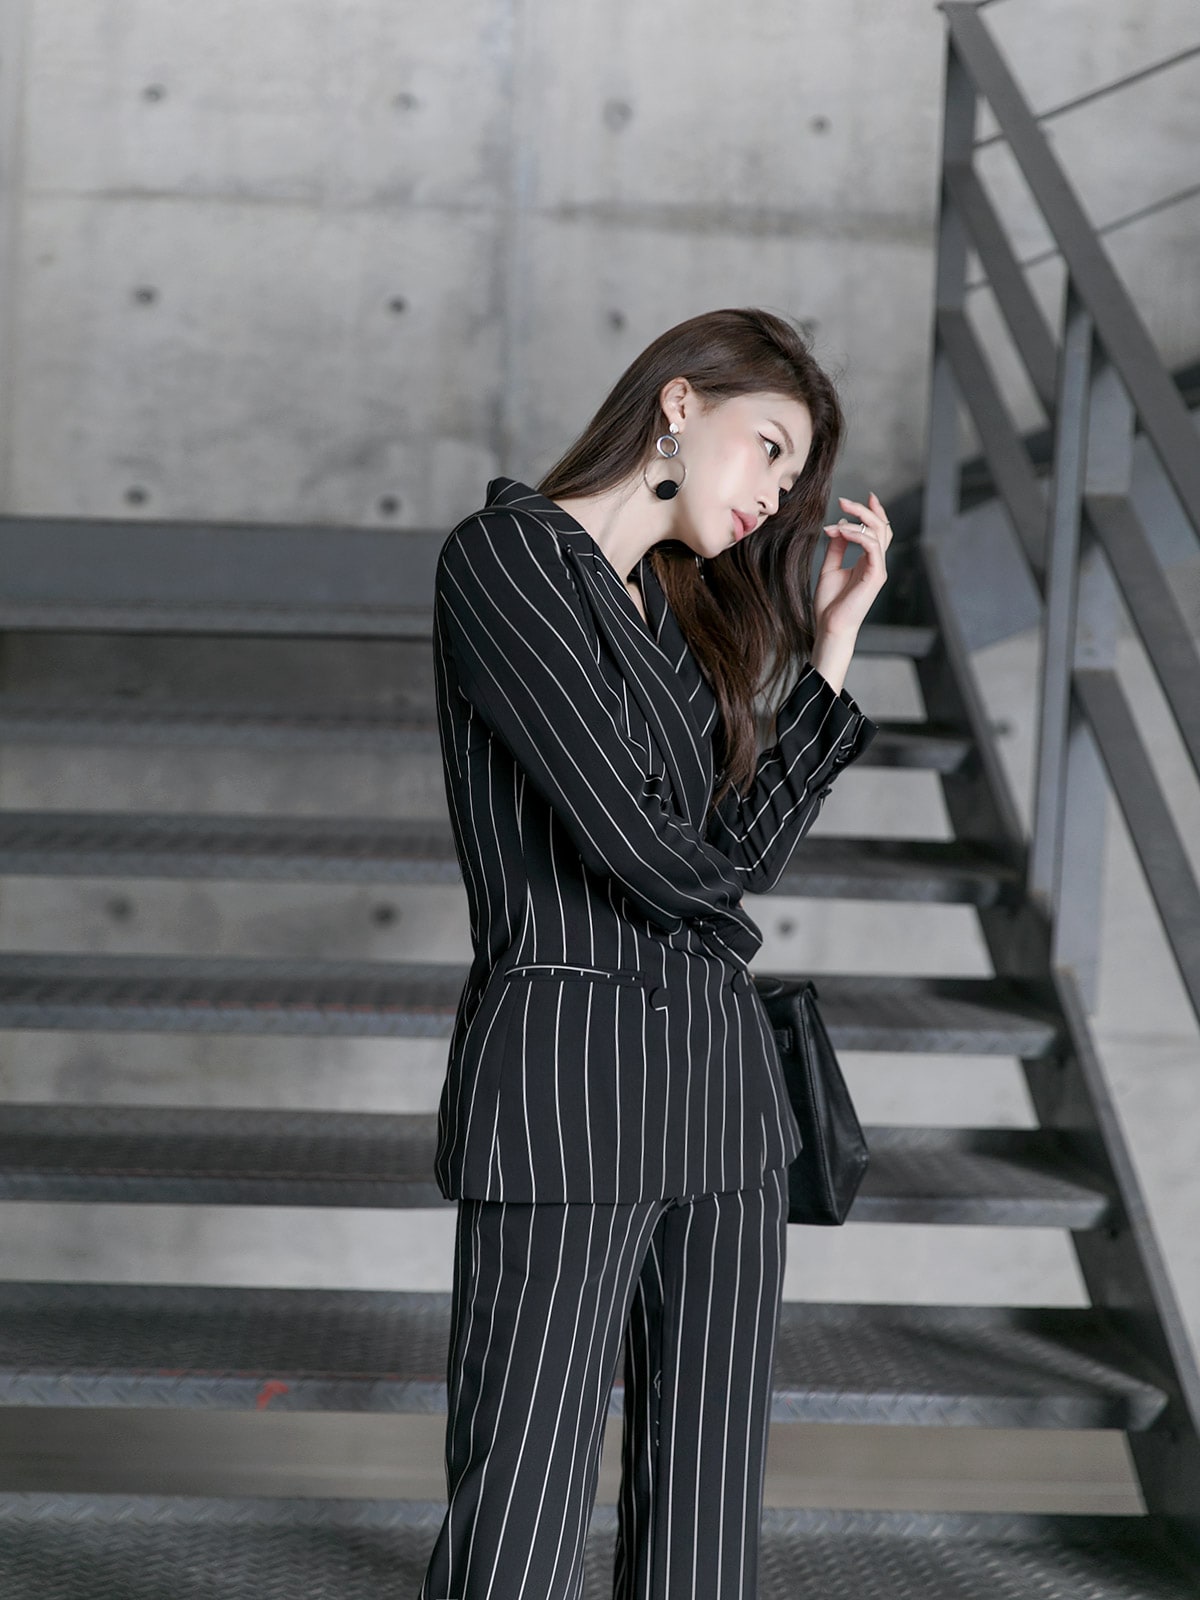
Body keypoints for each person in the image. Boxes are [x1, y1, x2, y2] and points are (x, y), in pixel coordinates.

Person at [419, 306, 889, 1600]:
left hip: (727, 1098)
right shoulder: (507, 556)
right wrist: (715, 912)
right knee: (522, 1494)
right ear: (680, 404)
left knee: (707, 1499)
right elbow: (635, 844)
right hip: (571, 1079)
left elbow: (732, 854)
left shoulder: (683, 618)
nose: (777, 496)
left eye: (796, 480)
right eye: (769, 449)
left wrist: (830, 655)